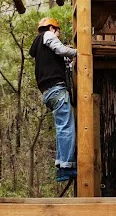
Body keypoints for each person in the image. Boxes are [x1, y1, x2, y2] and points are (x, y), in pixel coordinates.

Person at [28, 17, 78, 182]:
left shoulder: (40, 48)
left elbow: (60, 57)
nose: (57, 35)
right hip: (57, 89)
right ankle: (65, 167)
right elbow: (61, 50)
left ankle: (61, 163)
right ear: (51, 27)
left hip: (48, 92)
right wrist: (79, 52)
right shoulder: (48, 35)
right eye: (58, 31)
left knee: (61, 127)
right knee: (66, 127)